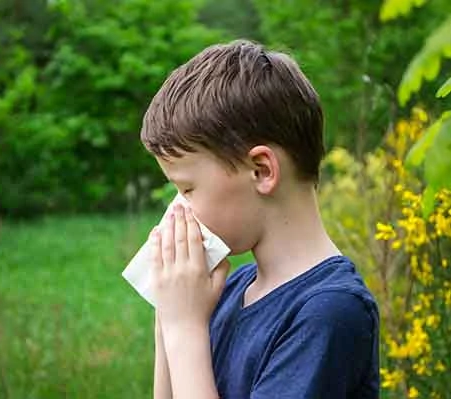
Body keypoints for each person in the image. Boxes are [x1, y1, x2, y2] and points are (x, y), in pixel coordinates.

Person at [140, 39, 379, 399]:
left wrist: (184, 328)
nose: (177, 210)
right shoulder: (230, 291)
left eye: (187, 189)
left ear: (261, 170)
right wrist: (167, 319)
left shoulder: (328, 313)